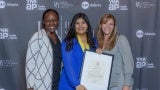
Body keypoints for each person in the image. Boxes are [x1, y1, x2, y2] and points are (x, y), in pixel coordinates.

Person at [59, 13, 97, 90]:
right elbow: (68, 65)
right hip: (70, 85)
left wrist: (99, 52)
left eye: (83, 22)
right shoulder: (68, 42)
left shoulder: (94, 41)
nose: (80, 26)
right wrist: (76, 84)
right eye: (77, 23)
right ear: (73, 26)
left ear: (87, 25)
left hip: (87, 85)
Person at [25, 9, 62, 90]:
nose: (52, 23)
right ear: (44, 22)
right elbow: (30, 62)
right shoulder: (37, 37)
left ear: (58, 22)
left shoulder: (59, 39)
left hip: (57, 83)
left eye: (54, 20)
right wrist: (30, 86)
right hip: (40, 84)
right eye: (48, 20)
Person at [96, 13, 134, 90]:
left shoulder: (121, 39)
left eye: (111, 24)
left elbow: (129, 65)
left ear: (114, 26)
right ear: (101, 25)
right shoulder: (100, 42)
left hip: (119, 84)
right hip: (105, 84)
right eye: (105, 23)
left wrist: (126, 85)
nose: (107, 26)